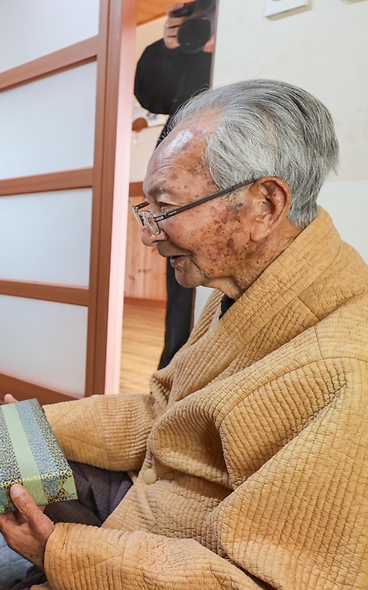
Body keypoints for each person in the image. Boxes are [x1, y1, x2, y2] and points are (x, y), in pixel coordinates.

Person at [0, 79, 368, 590]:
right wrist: (25, 427)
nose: (149, 234)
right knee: (21, 460)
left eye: (165, 210)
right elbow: (162, 412)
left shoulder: (363, 369)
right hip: (195, 512)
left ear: (264, 205)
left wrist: (59, 555)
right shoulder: (242, 287)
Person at [135, 1, 216, 369]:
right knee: (179, 271)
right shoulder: (174, 50)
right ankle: (172, 366)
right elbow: (152, 97)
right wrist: (169, 49)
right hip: (180, 163)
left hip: (225, 165)